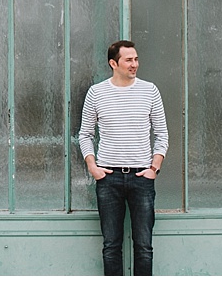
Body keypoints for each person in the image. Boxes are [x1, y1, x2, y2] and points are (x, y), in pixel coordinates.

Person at [78, 40, 168, 276]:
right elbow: (85, 134)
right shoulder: (96, 93)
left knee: (144, 247)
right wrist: (93, 167)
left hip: (141, 177)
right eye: (128, 60)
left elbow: (162, 134)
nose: (134, 64)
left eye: (136, 59)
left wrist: (154, 168)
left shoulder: (150, 91)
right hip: (109, 178)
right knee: (111, 246)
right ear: (113, 63)